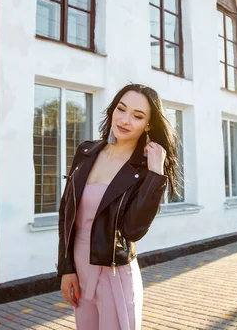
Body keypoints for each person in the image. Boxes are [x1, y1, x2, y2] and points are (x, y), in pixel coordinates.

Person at [57, 84, 180, 330]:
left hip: (114, 273)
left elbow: (133, 230)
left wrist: (156, 174)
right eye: (121, 109)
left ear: (148, 125)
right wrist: (66, 269)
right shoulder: (86, 152)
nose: (125, 120)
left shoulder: (146, 169)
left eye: (137, 116)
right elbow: (66, 214)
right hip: (79, 269)